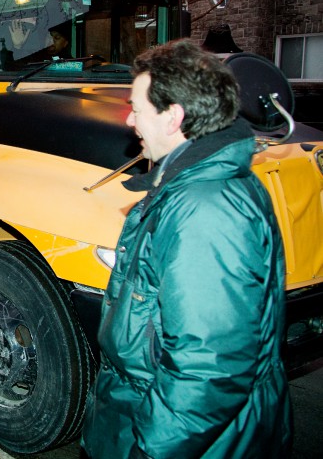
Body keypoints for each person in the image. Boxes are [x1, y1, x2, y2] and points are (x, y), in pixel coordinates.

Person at [81, 40, 292, 458]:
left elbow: (209, 368)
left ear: (173, 117)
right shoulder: (191, 188)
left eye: (137, 109)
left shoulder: (205, 210)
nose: (129, 120)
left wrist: (151, 449)